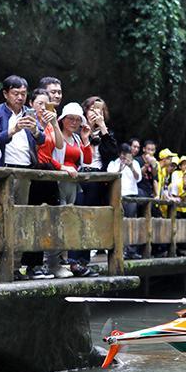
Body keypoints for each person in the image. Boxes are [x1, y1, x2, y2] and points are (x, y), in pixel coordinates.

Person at [0, 75, 45, 280]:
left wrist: (35, 129)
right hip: (3, 171)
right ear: (5, 94)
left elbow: (42, 139)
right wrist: (15, 128)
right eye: (15, 93)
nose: (20, 97)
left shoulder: (29, 112)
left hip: (25, 170)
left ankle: (15, 266)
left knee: (20, 218)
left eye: (23, 93)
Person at [69, 96, 118, 273]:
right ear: (85, 110)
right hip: (78, 176)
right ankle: (73, 259)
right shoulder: (75, 128)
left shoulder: (106, 134)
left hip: (98, 180)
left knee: (91, 219)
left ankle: (83, 261)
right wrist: (85, 136)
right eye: (92, 109)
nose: (96, 113)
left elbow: (112, 154)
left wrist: (103, 128)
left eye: (100, 110)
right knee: (77, 216)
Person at [28, 88, 65, 279]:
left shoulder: (50, 124)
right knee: (33, 218)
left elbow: (59, 145)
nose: (43, 107)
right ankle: (32, 265)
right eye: (39, 103)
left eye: (46, 103)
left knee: (50, 218)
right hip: (34, 172)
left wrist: (54, 122)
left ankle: (47, 263)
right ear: (31, 104)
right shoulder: (30, 122)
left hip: (48, 171)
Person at [56, 102, 96, 277]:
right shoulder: (57, 134)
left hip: (74, 182)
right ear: (63, 119)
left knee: (71, 219)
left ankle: (68, 261)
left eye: (77, 119)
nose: (73, 122)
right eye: (70, 118)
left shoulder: (78, 138)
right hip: (58, 181)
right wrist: (62, 167)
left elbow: (87, 160)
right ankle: (56, 261)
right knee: (60, 218)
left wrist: (86, 138)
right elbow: (49, 156)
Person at [107, 143, 143, 259]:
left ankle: (131, 251)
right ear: (119, 153)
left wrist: (131, 167)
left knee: (131, 222)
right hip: (117, 197)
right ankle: (119, 249)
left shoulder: (135, 163)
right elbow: (110, 177)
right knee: (118, 222)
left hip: (131, 196)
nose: (124, 156)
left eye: (126, 154)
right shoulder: (113, 163)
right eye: (122, 154)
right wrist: (120, 168)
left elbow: (138, 178)